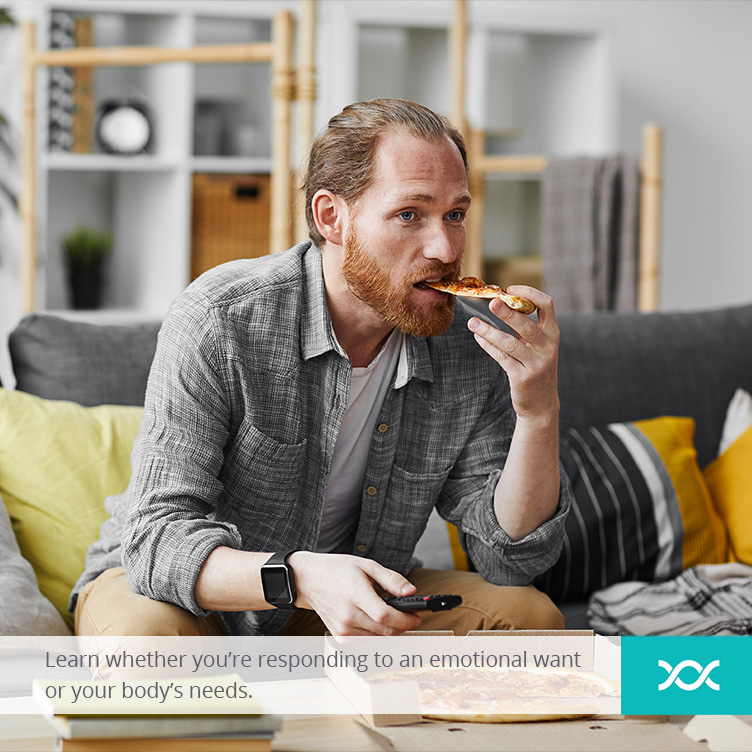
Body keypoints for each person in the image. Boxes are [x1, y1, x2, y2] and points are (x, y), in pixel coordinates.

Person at [71, 98, 570, 639]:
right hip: (188, 598)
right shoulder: (222, 317)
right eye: (410, 215)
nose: (445, 246)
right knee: (145, 648)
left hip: (349, 603)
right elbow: (156, 541)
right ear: (331, 217)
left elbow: (510, 562)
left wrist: (539, 411)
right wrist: (300, 576)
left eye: (455, 214)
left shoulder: (471, 346)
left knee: (530, 620)